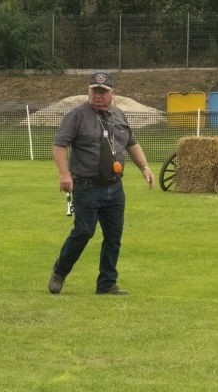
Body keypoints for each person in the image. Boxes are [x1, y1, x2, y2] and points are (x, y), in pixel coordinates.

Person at [48, 72, 154, 295]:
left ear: (112, 93)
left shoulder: (120, 116)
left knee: (114, 236)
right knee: (84, 231)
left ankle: (107, 283)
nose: (98, 96)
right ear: (88, 92)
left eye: (103, 92)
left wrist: (145, 167)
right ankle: (59, 272)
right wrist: (64, 174)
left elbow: (131, 144)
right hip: (86, 186)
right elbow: (59, 145)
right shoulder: (77, 116)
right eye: (94, 91)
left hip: (114, 187)